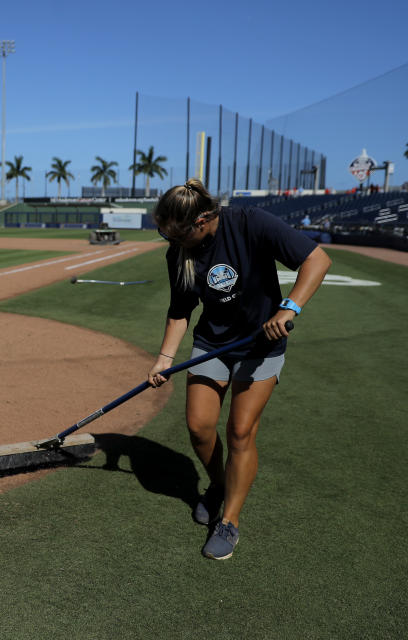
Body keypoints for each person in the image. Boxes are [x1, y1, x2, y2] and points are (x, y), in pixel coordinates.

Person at [147, 179, 331, 560]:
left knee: (240, 431)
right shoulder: (178, 253)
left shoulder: (251, 222)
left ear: (201, 222)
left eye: (176, 233)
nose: (171, 240)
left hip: (261, 344)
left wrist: (288, 308)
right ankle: (219, 485)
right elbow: (181, 310)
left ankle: (228, 521)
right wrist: (165, 359)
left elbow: (317, 259)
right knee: (199, 428)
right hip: (213, 342)